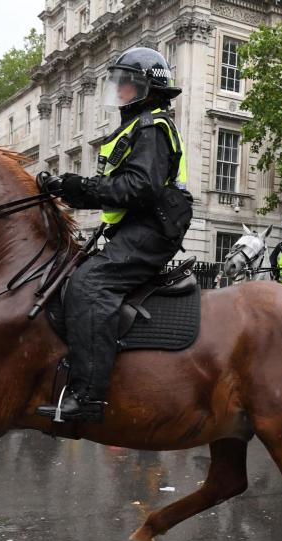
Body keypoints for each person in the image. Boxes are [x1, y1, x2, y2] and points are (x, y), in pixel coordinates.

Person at [38, 47, 192, 423]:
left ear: (145, 88)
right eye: (119, 83)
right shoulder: (135, 125)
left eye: (126, 83)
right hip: (134, 226)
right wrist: (65, 186)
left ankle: (88, 396)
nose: (119, 89)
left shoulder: (153, 127)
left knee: (91, 285)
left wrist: (75, 187)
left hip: (152, 228)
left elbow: (139, 187)